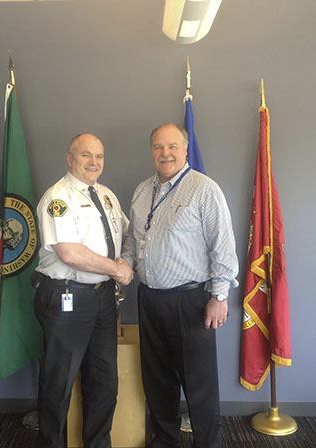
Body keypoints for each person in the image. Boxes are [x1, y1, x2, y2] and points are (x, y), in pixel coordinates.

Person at [122, 123, 239, 448]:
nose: (166, 153)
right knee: (158, 380)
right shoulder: (142, 190)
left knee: (199, 385)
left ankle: (209, 444)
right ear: (152, 152)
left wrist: (219, 296)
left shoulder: (204, 189)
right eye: (159, 147)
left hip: (191, 302)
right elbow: (133, 240)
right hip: (148, 299)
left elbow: (223, 247)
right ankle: (165, 440)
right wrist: (124, 265)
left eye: (172, 146)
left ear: (185, 149)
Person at [33, 133, 133, 448]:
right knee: (58, 383)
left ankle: (98, 444)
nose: (94, 162)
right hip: (67, 296)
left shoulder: (106, 195)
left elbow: (125, 238)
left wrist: (126, 261)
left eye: (99, 156)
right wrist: (117, 269)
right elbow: (70, 254)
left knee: (104, 381)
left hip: (102, 298)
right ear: (70, 158)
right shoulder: (58, 197)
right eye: (86, 155)